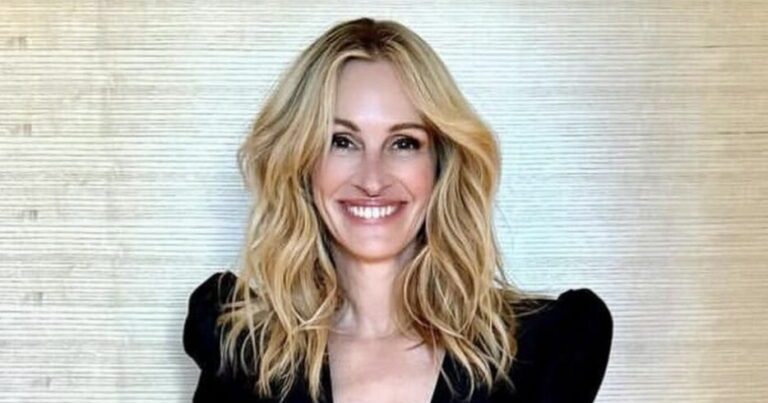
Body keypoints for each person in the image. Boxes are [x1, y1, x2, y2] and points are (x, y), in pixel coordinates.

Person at [183, 17, 613, 403]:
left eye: (404, 143)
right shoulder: (242, 353)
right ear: (301, 161)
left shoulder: (544, 350)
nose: (372, 180)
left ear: (440, 164)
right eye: (341, 141)